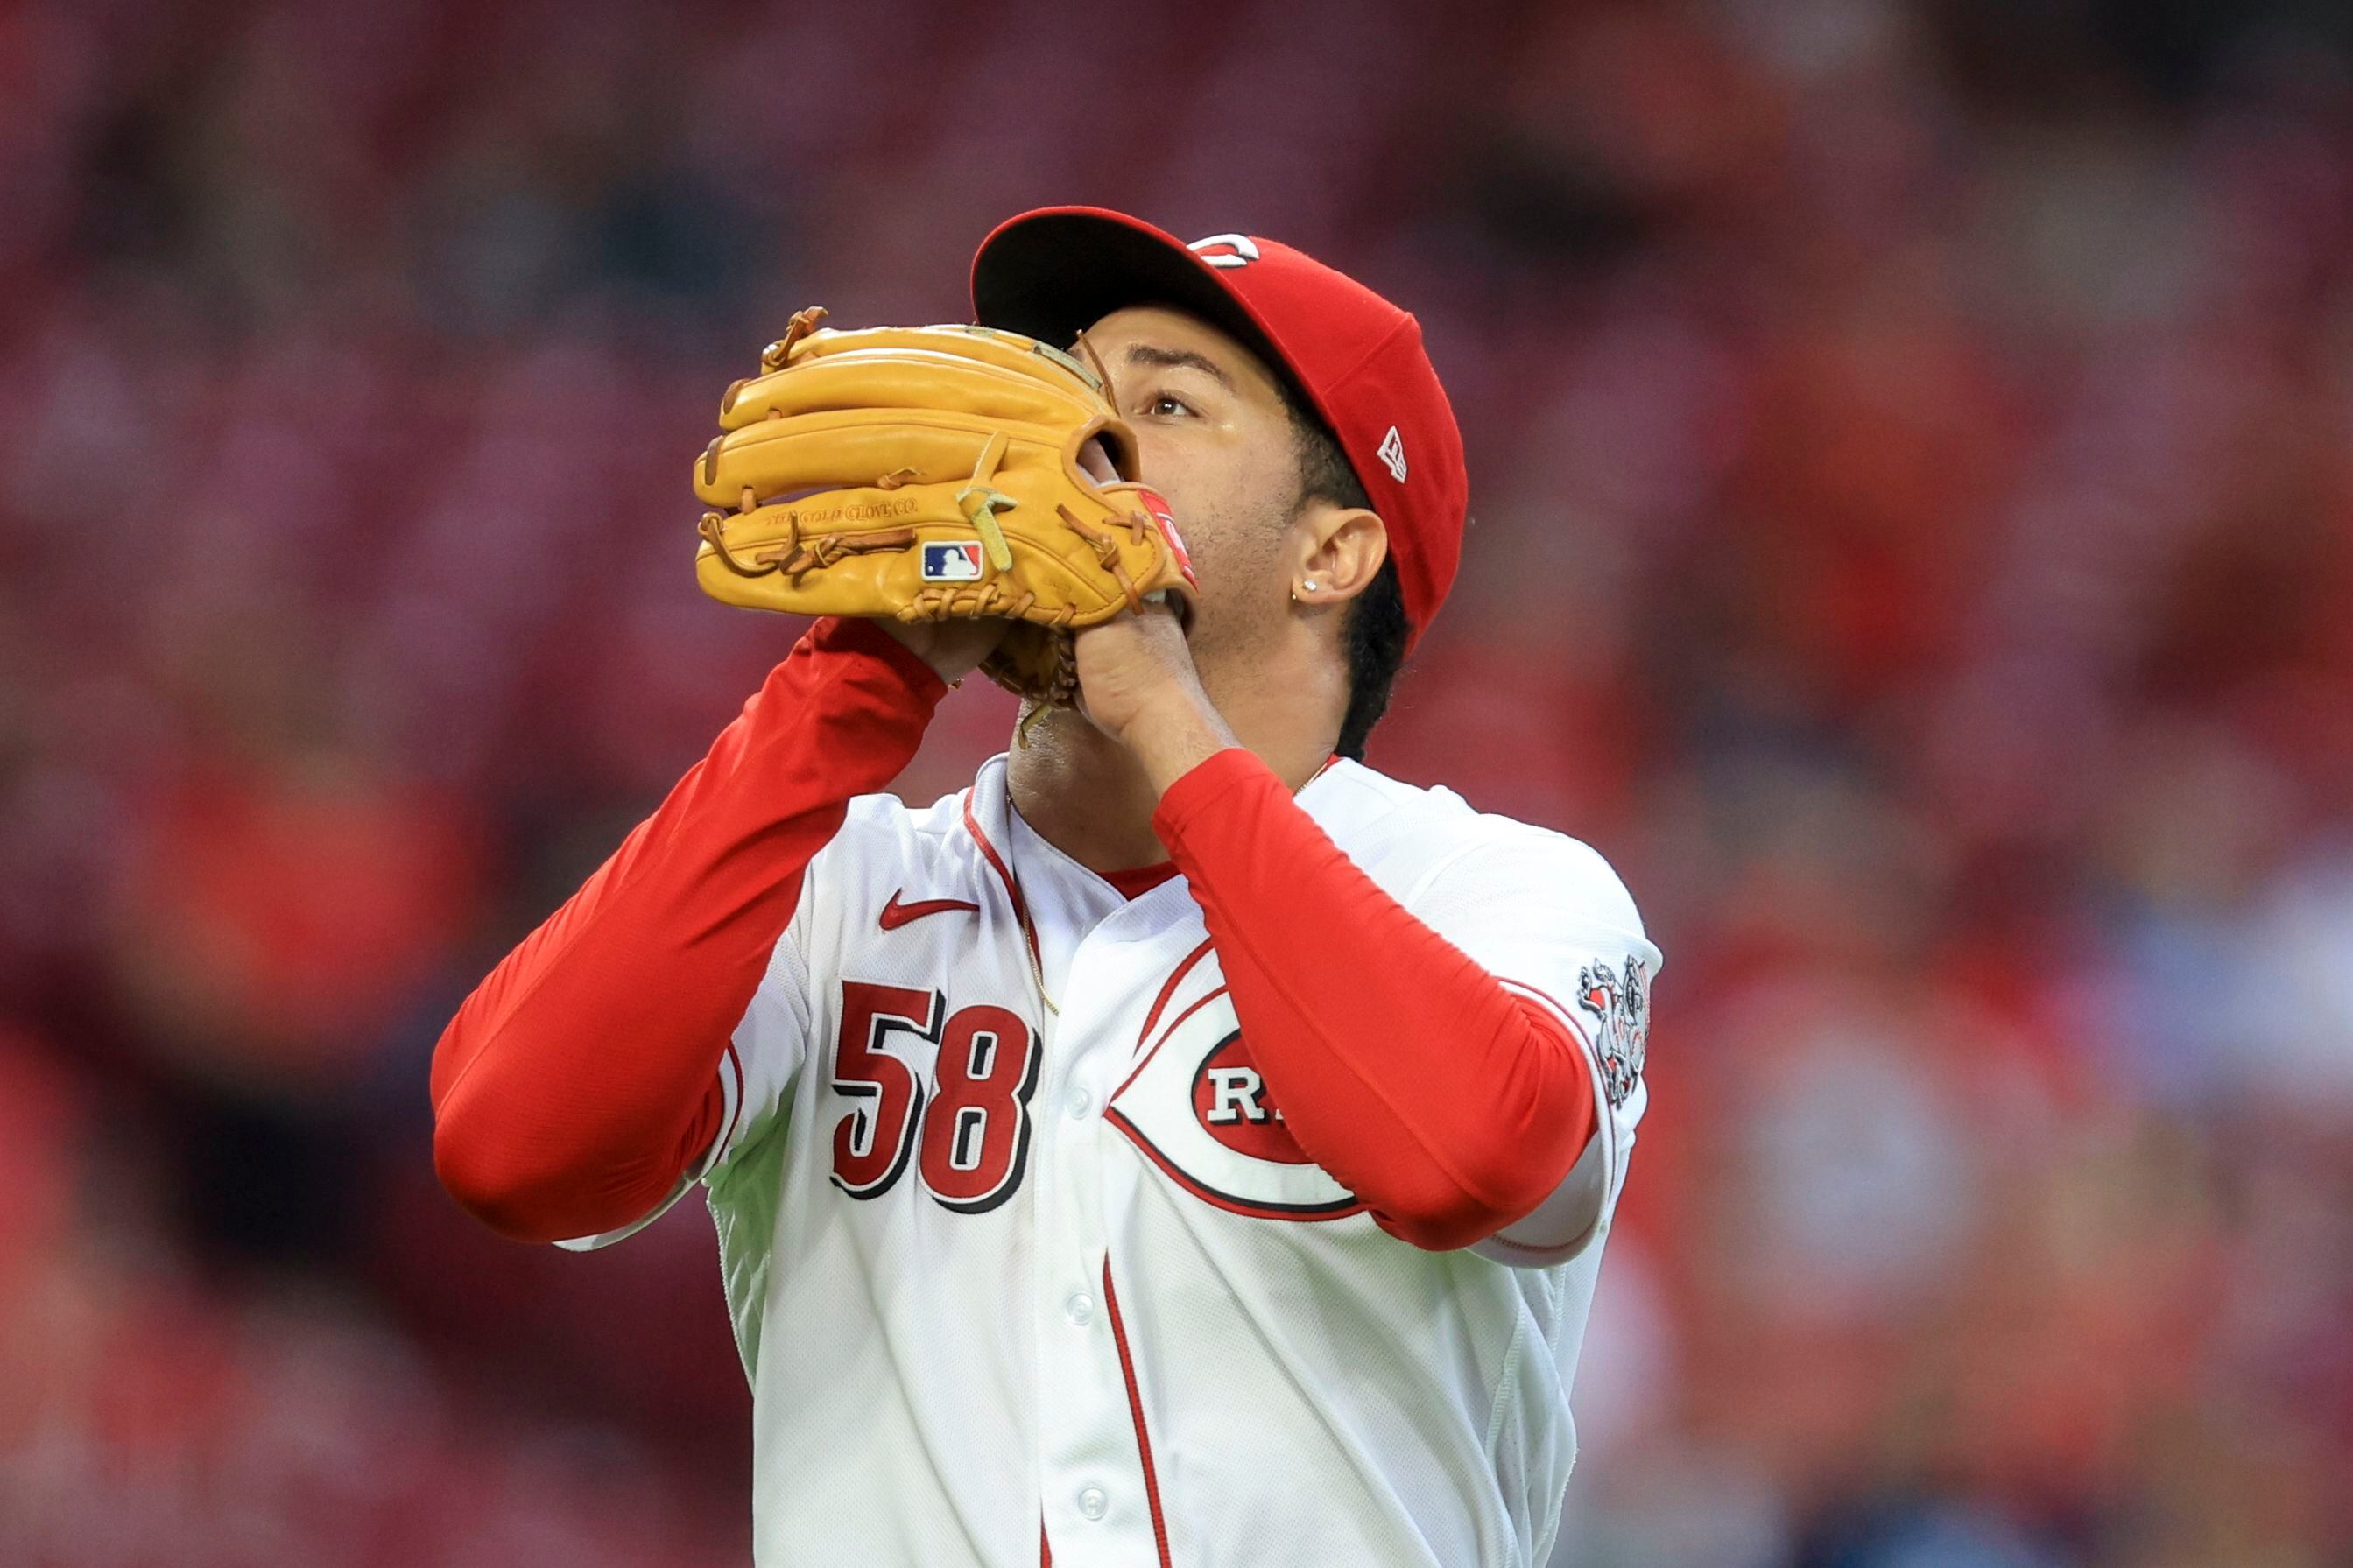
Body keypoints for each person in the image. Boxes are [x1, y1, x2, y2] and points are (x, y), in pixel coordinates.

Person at [429, 206, 1659, 1568]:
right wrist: (854, 681)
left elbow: (1467, 1156)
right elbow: (513, 1151)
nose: (1079, 442)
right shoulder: (836, 879)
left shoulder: (1495, 888)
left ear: (1332, 554)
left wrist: (1166, 713)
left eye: (1169, 405)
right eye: (1068, 386)